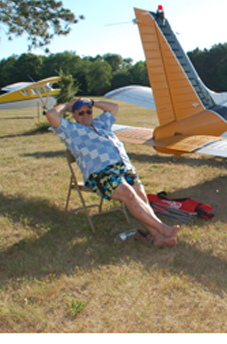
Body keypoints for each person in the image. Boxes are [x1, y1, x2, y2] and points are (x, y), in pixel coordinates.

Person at [45, 98, 179, 247]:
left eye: (88, 111)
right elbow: (51, 115)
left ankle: (157, 237)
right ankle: (162, 228)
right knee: (129, 194)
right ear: (74, 115)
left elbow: (114, 107)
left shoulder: (100, 123)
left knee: (140, 195)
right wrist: (67, 105)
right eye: (81, 113)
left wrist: (92, 101)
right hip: (100, 172)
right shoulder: (71, 130)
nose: (86, 115)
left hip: (123, 167)